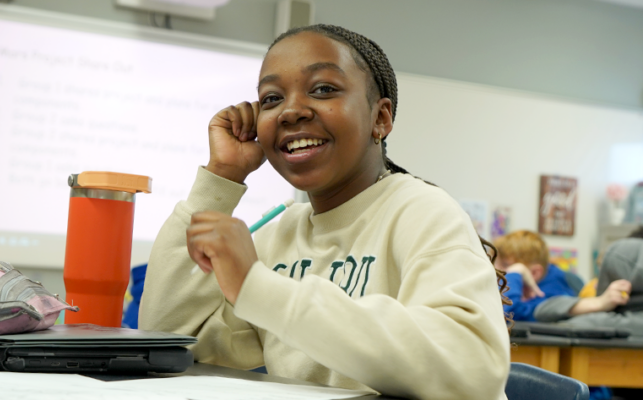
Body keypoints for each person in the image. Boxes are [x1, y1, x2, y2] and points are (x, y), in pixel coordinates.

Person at [139, 24, 510, 399]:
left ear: (380, 118)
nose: (291, 111)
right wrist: (221, 178)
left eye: (323, 89)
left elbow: (470, 367)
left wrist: (258, 287)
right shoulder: (280, 235)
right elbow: (172, 345)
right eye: (271, 99)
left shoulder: (420, 211)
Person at [534, 228, 643, 333]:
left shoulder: (608, 322)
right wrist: (600, 302)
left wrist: (600, 303)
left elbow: (544, 314)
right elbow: (542, 310)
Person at [493, 230, 576, 321]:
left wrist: (515, 272)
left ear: (534, 273)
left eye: (506, 265)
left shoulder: (551, 298)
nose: (496, 270)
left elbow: (509, 316)